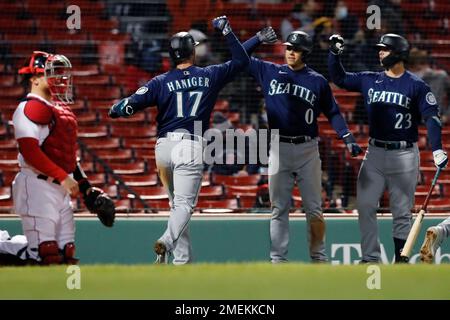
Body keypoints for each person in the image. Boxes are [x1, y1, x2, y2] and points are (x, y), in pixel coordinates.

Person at [108, 16, 249, 265]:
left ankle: (181, 262)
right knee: (184, 206)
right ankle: (166, 241)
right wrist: (230, 32)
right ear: (192, 52)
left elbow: (127, 106)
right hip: (189, 145)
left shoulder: (160, 81)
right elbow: (240, 60)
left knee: (177, 208)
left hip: (163, 148)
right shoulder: (209, 75)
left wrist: (116, 109)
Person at [242, 28, 362, 263]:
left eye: (296, 49)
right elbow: (239, 56)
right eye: (288, 48)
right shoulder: (269, 70)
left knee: (315, 209)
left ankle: (318, 257)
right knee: (278, 209)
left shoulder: (316, 80)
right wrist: (256, 39)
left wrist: (346, 136)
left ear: (305, 53)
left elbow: (333, 112)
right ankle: (278, 260)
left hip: (308, 149)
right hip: (279, 148)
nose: (291, 52)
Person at [328, 33, 448, 263]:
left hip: (404, 154)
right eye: (380, 49)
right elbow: (339, 78)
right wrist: (334, 54)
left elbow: (431, 118)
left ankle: (400, 259)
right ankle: (370, 258)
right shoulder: (370, 79)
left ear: (399, 53)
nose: (380, 52)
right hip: (374, 152)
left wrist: (437, 148)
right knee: (364, 205)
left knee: (401, 212)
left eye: (385, 49)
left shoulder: (416, 85)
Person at [1, 51, 114, 266]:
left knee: (65, 254)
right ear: (33, 78)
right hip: (36, 186)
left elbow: (68, 158)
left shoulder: (60, 111)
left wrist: (86, 189)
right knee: (45, 253)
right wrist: (63, 177)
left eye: (60, 73)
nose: (59, 78)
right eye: (50, 73)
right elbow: (30, 151)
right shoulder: (28, 107)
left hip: (59, 189)